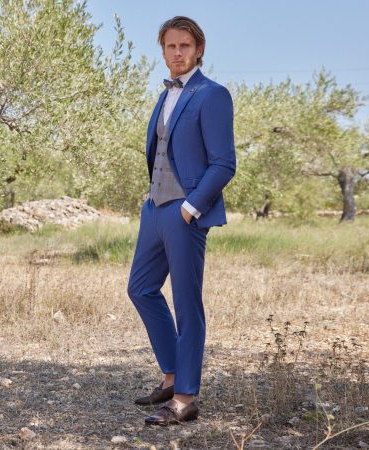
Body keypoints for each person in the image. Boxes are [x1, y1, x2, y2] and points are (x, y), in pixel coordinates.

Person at [127, 16, 236, 426]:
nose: (177, 53)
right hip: (155, 209)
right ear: (163, 51)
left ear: (199, 49)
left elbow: (224, 163)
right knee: (140, 288)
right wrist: (151, 196)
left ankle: (185, 399)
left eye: (184, 46)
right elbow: (162, 151)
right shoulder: (165, 95)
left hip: (185, 213)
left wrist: (191, 207)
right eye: (170, 46)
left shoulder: (213, 95)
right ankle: (172, 375)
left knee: (187, 303)